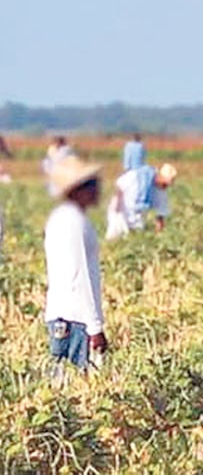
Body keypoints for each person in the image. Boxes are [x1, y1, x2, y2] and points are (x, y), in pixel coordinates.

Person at [44, 155, 107, 376]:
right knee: (73, 386)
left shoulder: (66, 218)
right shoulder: (72, 222)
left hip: (68, 316)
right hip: (74, 318)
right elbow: (78, 276)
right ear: (76, 190)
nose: (98, 189)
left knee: (63, 385)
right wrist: (95, 327)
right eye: (91, 184)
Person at [106, 163, 178, 238]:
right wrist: (117, 204)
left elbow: (160, 214)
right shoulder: (138, 176)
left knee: (135, 238)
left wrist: (159, 234)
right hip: (120, 211)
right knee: (115, 237)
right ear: (159, 176)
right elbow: (120, 186)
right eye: (164, 183)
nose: (165, 187)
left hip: (137, 217)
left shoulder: (161, 191)